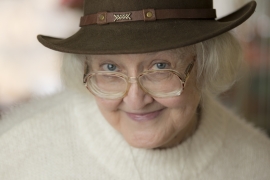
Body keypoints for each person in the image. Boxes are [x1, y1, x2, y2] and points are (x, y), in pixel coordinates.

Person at [0, 0, 270, 179]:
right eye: (109, 68)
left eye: (160, 66)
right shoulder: (16, 154)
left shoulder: (258, 166)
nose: (135, 99)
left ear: (207, 65)